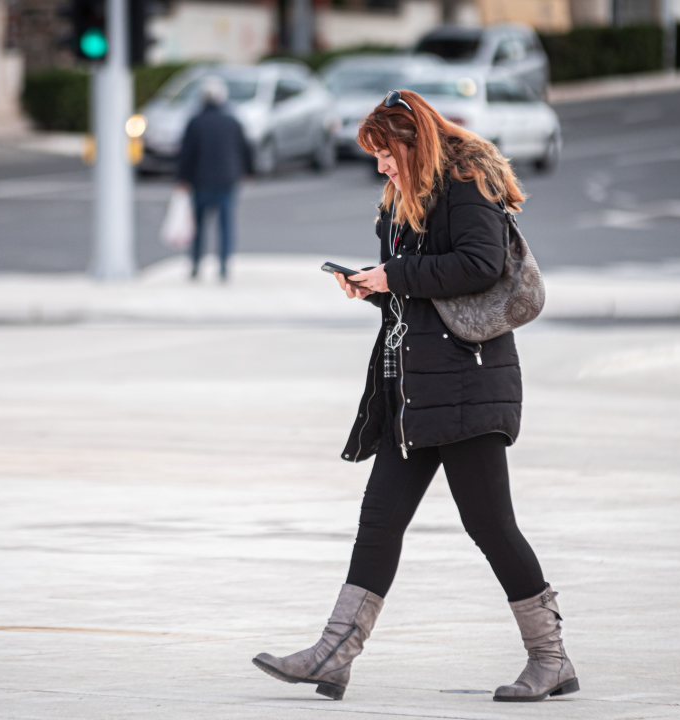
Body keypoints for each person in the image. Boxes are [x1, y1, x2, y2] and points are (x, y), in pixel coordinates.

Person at [252, 90, 578, 703]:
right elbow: (424, 289)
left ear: (411, 142)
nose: (379, 166)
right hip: (416, 387)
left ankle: (551, 658)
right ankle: (333, 653)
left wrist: (394, 276)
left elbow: (480, 265)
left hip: (467, 383)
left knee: (490, 523)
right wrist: (374, 288)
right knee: (379, 521)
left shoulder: (463, 185)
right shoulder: (404, 202)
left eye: (384, 153)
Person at [176, 76, 252, 281]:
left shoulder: (195, 122)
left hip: (200, 181)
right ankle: (224, 267)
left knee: (199, 227)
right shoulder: (232, 121)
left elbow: (186, 154)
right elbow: (245, 149)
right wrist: (245, 172)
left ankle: (195, 265)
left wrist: (183, 178)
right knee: (226, 226)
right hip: (227, 180)